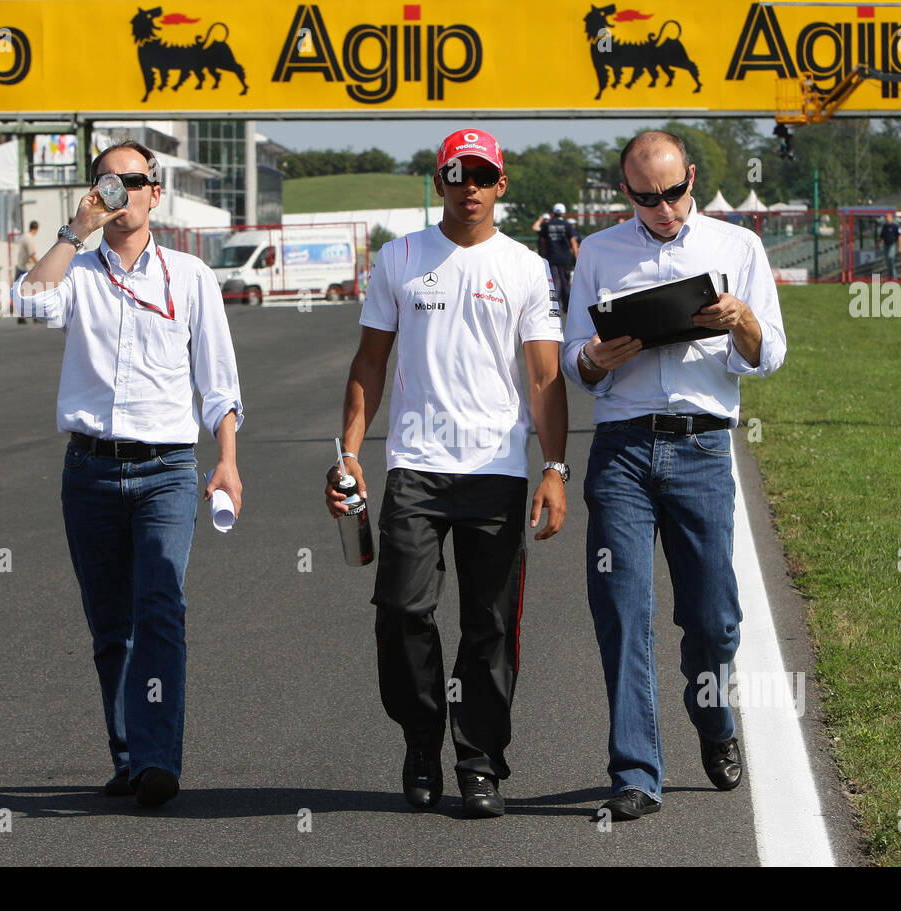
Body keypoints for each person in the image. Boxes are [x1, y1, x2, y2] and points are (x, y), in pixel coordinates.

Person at [325, 128, 569, 819]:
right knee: (402, 612)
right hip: (416, 467)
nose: (469, 187)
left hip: (497, 468)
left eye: (482, 175)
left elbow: (546, 376)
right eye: (456, 175)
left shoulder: (525, 266)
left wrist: (553, 468)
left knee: (490, 625)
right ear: (438, 182)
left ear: (501, 184)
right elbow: (370, 363)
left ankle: (478, 762)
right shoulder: (399, 259)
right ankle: (421, 737)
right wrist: (347, 451)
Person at [562, 130, 786, 822]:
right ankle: (635, 771)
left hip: (702, 448)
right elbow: (576, 361)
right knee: (624, 611)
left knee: (714, 621)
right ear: (625, 192)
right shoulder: (598, 253)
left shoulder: (737, 248)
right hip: (624, 448)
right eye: (646, 197)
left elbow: (769, 354)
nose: (663, 208)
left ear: (691, 177)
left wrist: (741, 319)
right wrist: (599, 357)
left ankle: (714, 722)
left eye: (674, 192)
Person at [12, 140, 244, 809]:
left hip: (167, 469)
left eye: (132, 182)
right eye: (106, 183)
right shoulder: (77, 272)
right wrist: (72, 229)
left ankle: (155, 760)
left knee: (161, 611)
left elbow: (218, 383)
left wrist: (225, 461)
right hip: (89, 469)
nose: (120, 193)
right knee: (112, 624)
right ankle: (125, 754)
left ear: (154, 193)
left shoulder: (191, 276)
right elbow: (26, 303)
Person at [538, 202, 581, 313]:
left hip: (551, 257)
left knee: (554, 282)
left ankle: (553, 305)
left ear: (554, 213)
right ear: (563, 213)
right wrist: (576, 258)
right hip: (565, 258)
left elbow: (543, 242)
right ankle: (567, 307)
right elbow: (574, 243)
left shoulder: (547, 225)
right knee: (566, 282)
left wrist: (542, 256)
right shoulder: (567, 225)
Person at [16, 220, 42, 324]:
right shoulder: (29, 238)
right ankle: (36, 316)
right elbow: (32, 254)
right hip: (27, 268)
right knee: (34, 292)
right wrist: (41, 264)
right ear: (36, 229)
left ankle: (21, 316)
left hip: (20, 266)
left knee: (22, 293)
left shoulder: (23, 236)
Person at [879, 211, 901, 280]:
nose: (886, 218)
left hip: (892, 245)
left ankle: (894, 278)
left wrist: (899, 247)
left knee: (891, 259)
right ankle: (890, 277)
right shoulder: (884, 227)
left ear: (891, 218)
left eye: (887, 217)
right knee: (888, 262)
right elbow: (881, 237)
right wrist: (877, 245)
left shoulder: (895, 226)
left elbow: (900, 237)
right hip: (886, 245)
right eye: (885, 217)